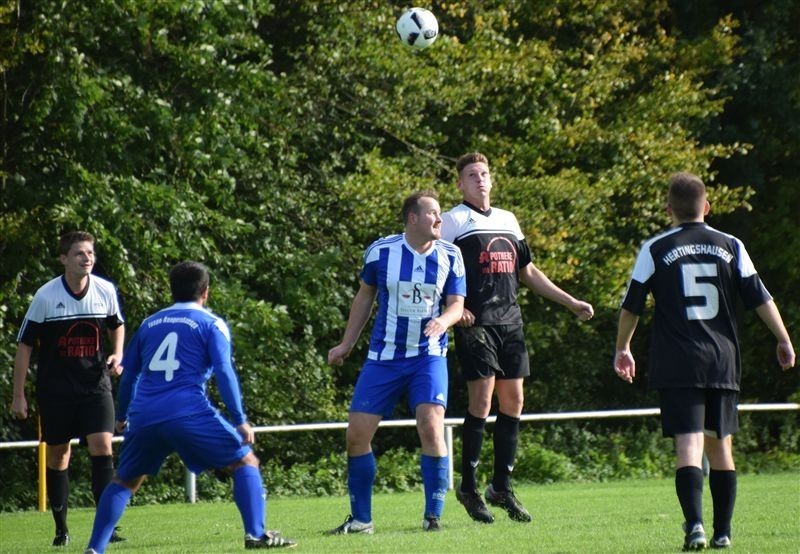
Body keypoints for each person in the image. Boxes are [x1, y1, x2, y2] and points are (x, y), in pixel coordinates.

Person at [614, 172, 795, 550]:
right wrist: (783, 339)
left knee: (687, 447)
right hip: (722, 360)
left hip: (678, 362)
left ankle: (694, 525)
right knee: (720, 447)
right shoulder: (732, 244)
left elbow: (631, 305)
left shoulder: (656, 248)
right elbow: (762, 298)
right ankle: (723, 532)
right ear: (707, 207)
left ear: (669, 210)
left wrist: (623, 348)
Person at [84, 261, 296, 553]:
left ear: (172, 290)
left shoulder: (150, 323)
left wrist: (122, 415)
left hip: (144, 415)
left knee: (124, 480)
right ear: (205, 292)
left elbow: (130, 374)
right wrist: (240, 419)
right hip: (188, 411)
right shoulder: (211, 323)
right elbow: (224, 370)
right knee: (245, 461)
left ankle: (94, 549)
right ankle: (256, 535)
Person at [441, 152, 594, 524]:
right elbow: (437, 268)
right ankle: (469, 488)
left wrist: (570, 301)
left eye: (485, 173)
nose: (480, 179)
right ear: (460, 183)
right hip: (475, 324)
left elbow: (528, 271)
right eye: (472, 175)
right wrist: (454, 310)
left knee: (514, 401)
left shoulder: (508, 220)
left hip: (511, 322)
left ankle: (501, 486)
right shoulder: (453, 221)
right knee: (481, 400)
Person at [326, 191, 466, 534]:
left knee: (431, 427)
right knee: (356, 436)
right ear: (412, 219)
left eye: (440, 214)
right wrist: (346, 344)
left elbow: (457, 304)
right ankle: (361, 520)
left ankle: (433, 517)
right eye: (433, 213)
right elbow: (364, 298)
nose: (439, 220)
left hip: (428, 357)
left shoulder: (451, 254)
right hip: (383, 359)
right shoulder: (381, 252)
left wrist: (443, 322)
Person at [11, 231, 126, 547]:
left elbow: (117, 324)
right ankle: (61, 528)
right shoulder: (45, 296)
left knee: (102, 447)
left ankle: (106, 526)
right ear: (63, 259)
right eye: (79, 253)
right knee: (59, 456)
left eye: (90, 253)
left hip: (95, 387)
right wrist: (18, 395)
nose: (87, 258)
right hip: (56, 391)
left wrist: (118, 353)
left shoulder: (104, 290)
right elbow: (24, 346)